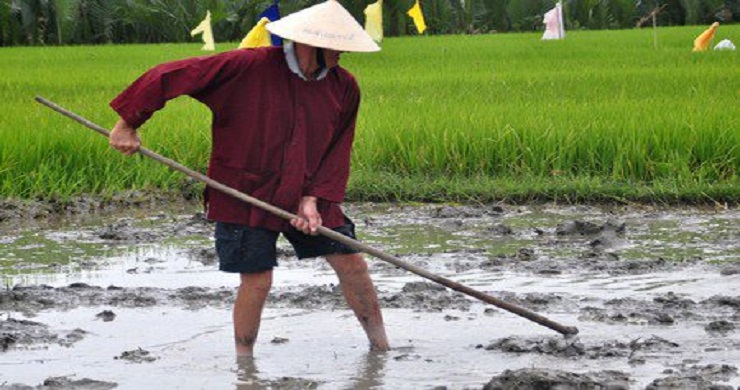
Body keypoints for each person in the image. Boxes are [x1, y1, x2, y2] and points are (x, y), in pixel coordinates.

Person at [108, 0, 390, 356]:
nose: (342, 55)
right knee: (257, 280)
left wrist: (313, 197)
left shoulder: (343, 85)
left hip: (306, 191)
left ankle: (381, 347)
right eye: (336, 47)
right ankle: (245, 366)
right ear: (309, 44)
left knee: (353, 263)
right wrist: (128, 123)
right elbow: (169, 74)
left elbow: (338, 147)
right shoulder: (246, 67)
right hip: (244, 191)